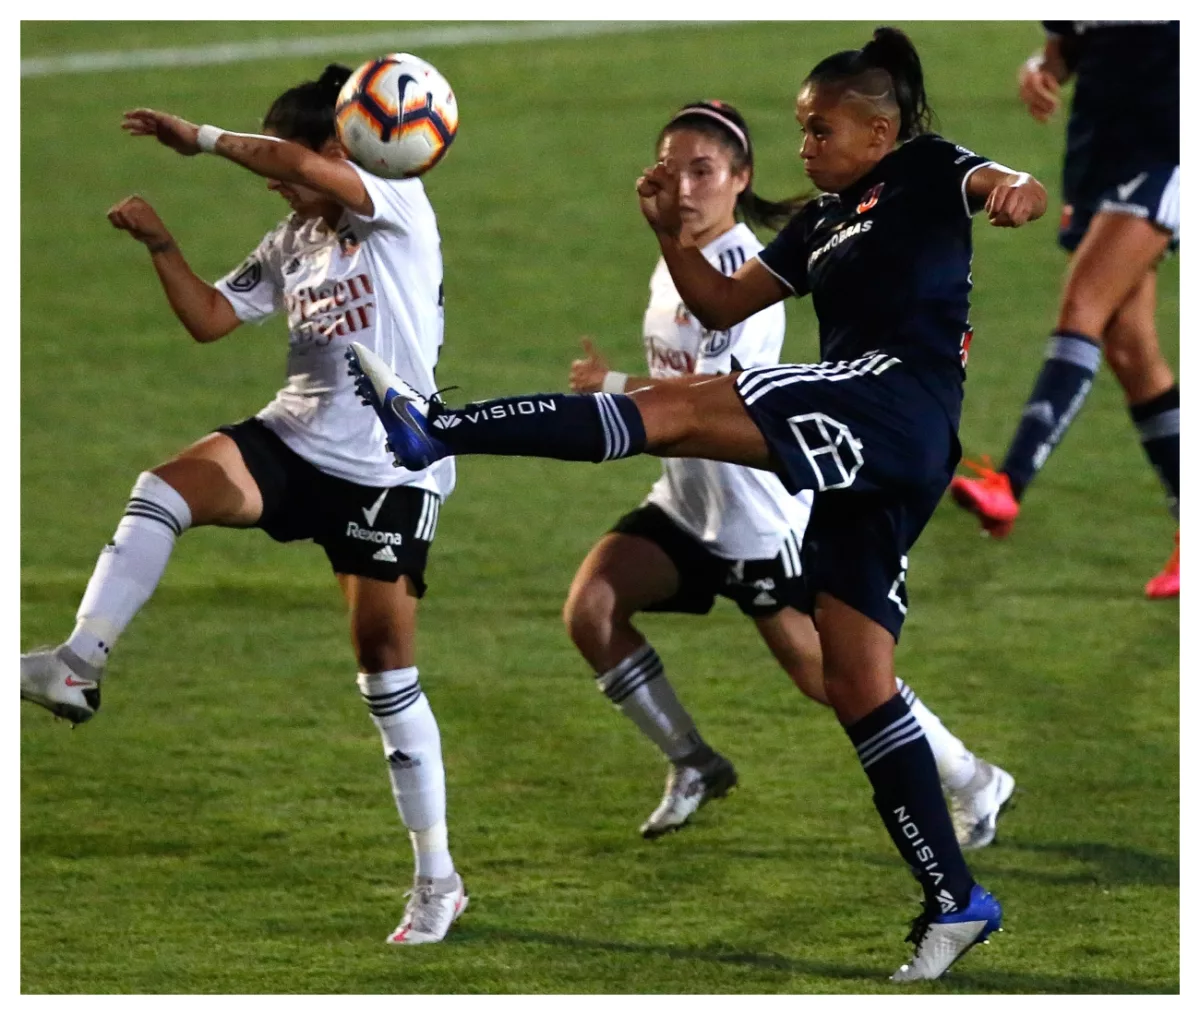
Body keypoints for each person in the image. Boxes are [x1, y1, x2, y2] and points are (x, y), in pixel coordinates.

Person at [348, 27, 1046, 980]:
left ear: (879, 131)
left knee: (664, 411)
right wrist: (667, 234)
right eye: (802, 130)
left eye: (822, 129)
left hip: (892, 397)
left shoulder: (926, 166)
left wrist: (1013, 193)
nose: (805, 146)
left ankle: (439, 426)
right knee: (854, 680)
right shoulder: (819, 221)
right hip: (873, 445)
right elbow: (717, 305)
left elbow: (1005, 183)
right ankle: (954, 896)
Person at [19, 65, 468, 945]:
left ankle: (437, 878)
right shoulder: (294, 236)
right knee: (166, 485)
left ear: (335, 152)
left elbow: (292, 165)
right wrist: (161, 246)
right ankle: (79, 660)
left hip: (387, 470)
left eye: (285, 161)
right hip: (293, 442)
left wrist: (202, 137)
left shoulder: (395, 207)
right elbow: (213, 319)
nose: (272, 178)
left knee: (385, 672)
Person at [564, 100, 1012, 848]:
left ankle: (972, 777)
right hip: (686, 503)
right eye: (671, 169)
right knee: (593, 609)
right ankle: (695, 762)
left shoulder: (745, 283)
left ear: (740, 178)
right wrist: (619, 379)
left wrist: (612, 394)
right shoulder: (678, 255)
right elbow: (679, 385)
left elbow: (697, 407)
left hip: (756, 525)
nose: (684, 187)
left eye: (702, 171)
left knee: (837, 681)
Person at [948, 21, 1179, 598]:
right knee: (1131, 348)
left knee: (1085, 304)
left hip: (1169, 147)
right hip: (1100, 149)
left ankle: (1011, 482)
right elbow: (1071, 43)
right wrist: (1042, 69)